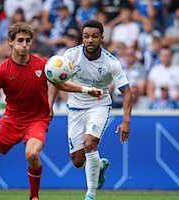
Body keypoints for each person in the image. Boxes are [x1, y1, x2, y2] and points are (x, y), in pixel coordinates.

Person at [0, 22, 103, 200]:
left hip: (37, 120)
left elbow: (61, 84)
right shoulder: (2, 71)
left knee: (32, 154)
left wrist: (87, 89)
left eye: (28, 41)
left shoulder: (43, 65)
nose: (24, 44)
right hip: (11, 120)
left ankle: (34, 197)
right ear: (11, 42)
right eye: (20, 40)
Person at [49, 19, 132, 200]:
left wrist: (126, 120)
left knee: (90, 143)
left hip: (99, 106)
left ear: (102, 38)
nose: (90, 40)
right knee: (78, 161)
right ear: (82, 38)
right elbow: (56, 80)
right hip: (75, 109)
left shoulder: (111, 62)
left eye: (95, 36)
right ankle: (99, 166)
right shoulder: (70, 56)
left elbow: (127, 92)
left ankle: (90, 194)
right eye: (86, 36)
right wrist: (50, 104)